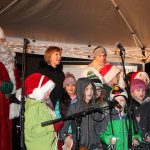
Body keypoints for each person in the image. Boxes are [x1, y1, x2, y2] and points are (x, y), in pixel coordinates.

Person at [24, 73, 64, 150]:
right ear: (38, 92)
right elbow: (32, 130)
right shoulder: (33, 108)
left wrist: (57, 122)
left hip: (48, 146)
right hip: (39, 147)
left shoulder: (43, 105)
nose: (50, 92)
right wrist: (52, 127)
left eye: (50, 90)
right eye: (47, 90)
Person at [60, 77, 102, 150]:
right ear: (80, 90)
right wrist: (67, 139)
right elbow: (63, 129)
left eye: (91, 88)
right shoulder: (74, 107)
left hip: (95, 146)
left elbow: (99, 128)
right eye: (86, 89)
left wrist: (100, 144)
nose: (90, 92)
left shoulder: (96, 107)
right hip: (79, 146)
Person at [100, 85, 142, 150]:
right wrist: (109, 139)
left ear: (126, 102)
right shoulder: (107, 118)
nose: (119, 103)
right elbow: (102, 134)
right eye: (116, 101)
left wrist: (136, 139)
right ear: (112, 103)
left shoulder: (130, 117)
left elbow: (138, 132)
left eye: (122, 100)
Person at [0, 26, 22, 150]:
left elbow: (17, 85)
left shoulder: (10, 62)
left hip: (10, 105)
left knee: (8, 137)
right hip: (2, 103)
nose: (2, 44)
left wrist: (16, 101)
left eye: (3, 40)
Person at [130, 79, 150, 149]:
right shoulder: (130, 106)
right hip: (135, 141)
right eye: (138, 90)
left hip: (146, 141)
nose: (141, 93)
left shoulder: (148, 105)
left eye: (143, 90)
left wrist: (148, 134)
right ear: (132, 92)